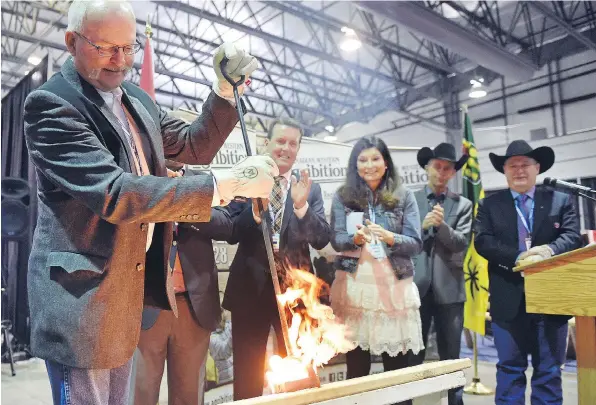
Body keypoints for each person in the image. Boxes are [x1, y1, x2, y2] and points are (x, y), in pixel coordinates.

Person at [23, 1, 276, 403]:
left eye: (129, 47)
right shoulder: (53, 105)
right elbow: (116, 193)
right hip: (82, 302)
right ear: (72, 42)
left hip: (126, 294)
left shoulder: (135, 99)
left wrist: (224, 90)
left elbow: (194, 144)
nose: (120, 61)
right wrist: (224, 184)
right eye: (106, 48)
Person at [223, 118, 332, 400]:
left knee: (299, 376)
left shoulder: (311, 189)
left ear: (299, 148)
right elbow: (231, 230)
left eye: (292, 143)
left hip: (296, 295)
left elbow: (321, 239)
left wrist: (300, 206)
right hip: (249, 290)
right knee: (247, 378)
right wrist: (254, 214)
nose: (286, 148)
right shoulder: (246, 179)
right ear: (266, 143)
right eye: (280, 141)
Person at [475, 140, 582, 405]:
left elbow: (572, 236)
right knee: (510, 369)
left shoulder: (560, 200)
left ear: (537, 168)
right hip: (508, 299)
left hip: (552, 300)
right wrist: (517, 257)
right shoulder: (490, 204)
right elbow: (483, 241)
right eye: (512, 165)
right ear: (505, 170)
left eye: (525, 164)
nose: (519, 170)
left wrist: (549, 250)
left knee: (548, 371)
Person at [329, 136, 423, 405]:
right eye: (362, 159)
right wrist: (355, 240)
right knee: (357, 372)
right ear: (355, 164)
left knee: (397, 371)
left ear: (385, 162)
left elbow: (416, 242)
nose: (369, 165)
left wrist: (391, 238)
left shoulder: (404, 195)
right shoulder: (343, 196)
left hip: (393, 288)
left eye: (375, 158)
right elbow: (336, 239)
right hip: (356, 289)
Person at [133, 161, 233, 405]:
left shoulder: (203, 181)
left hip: (193, 306)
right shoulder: (139, 177)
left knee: (188, 396)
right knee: (141, 394)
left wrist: (186, 204)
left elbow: (226, 226)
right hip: (147, 303)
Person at [409, 143, 472, 405]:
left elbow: (461, 242)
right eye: (437, 166)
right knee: (413, 357)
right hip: (415, 290)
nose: (441, 172)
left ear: (452, 173)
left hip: (451, 290)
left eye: (447, 168)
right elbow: (403, 241)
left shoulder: (464, 204)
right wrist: (423, 228)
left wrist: (441, 226)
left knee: (451, 358)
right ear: (427, 167)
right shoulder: (410, 200)